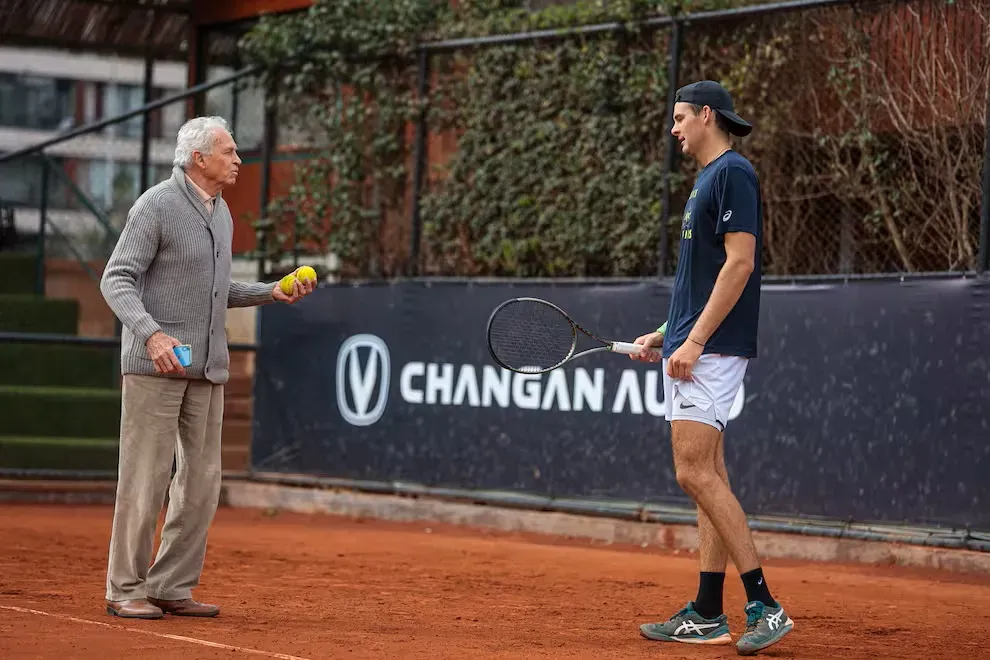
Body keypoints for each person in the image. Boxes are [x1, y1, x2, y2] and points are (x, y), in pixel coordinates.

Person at [100, 116, 314, 619]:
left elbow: (219, 294)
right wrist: (150, 334)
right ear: (199, 158)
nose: (238, 159)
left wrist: (271, 291)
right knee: (145, 480)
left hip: (207, 369)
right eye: (230, 151)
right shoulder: (155, 205)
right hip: (155, 367)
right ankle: (124, 588)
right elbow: (117, 279)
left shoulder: (221, 214)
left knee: (200, 483)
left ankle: (170, 585)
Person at [630, 81, 794, 655]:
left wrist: (695, 341)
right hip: (699, 343)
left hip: (715, 350)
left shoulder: (733, 174)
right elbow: (700, 281)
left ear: (706, 115)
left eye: (679, 118)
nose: (673, 128)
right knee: (709, 479)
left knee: (692, 472)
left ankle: (764, 605)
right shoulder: (705, 182)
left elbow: (740, 263)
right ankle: (706, 610)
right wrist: (665, 333)